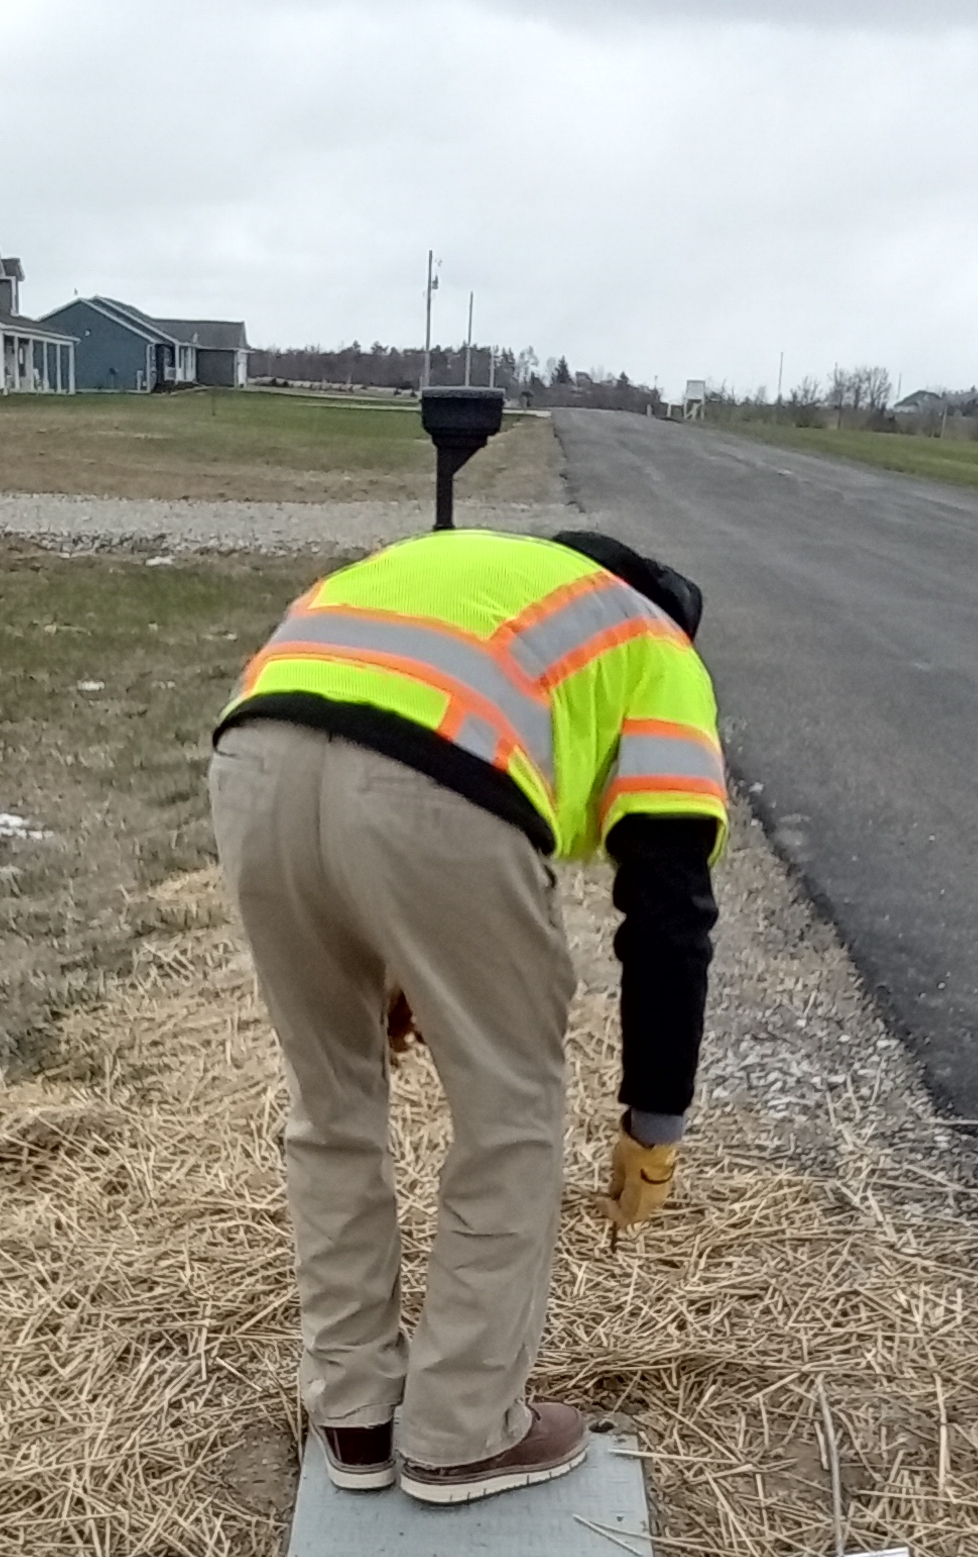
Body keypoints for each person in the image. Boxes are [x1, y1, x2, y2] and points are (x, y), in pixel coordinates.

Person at [208, 523, 725, 1505]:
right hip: (436, 790)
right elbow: (669, 907)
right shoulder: (658, 647)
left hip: (253, 757)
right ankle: (464, 1432)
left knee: (330, 1105)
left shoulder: (477, 585)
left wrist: (405, 955)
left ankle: (353, 1413)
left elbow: (353, 754)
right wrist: (655, 1118)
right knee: (509, 1117)